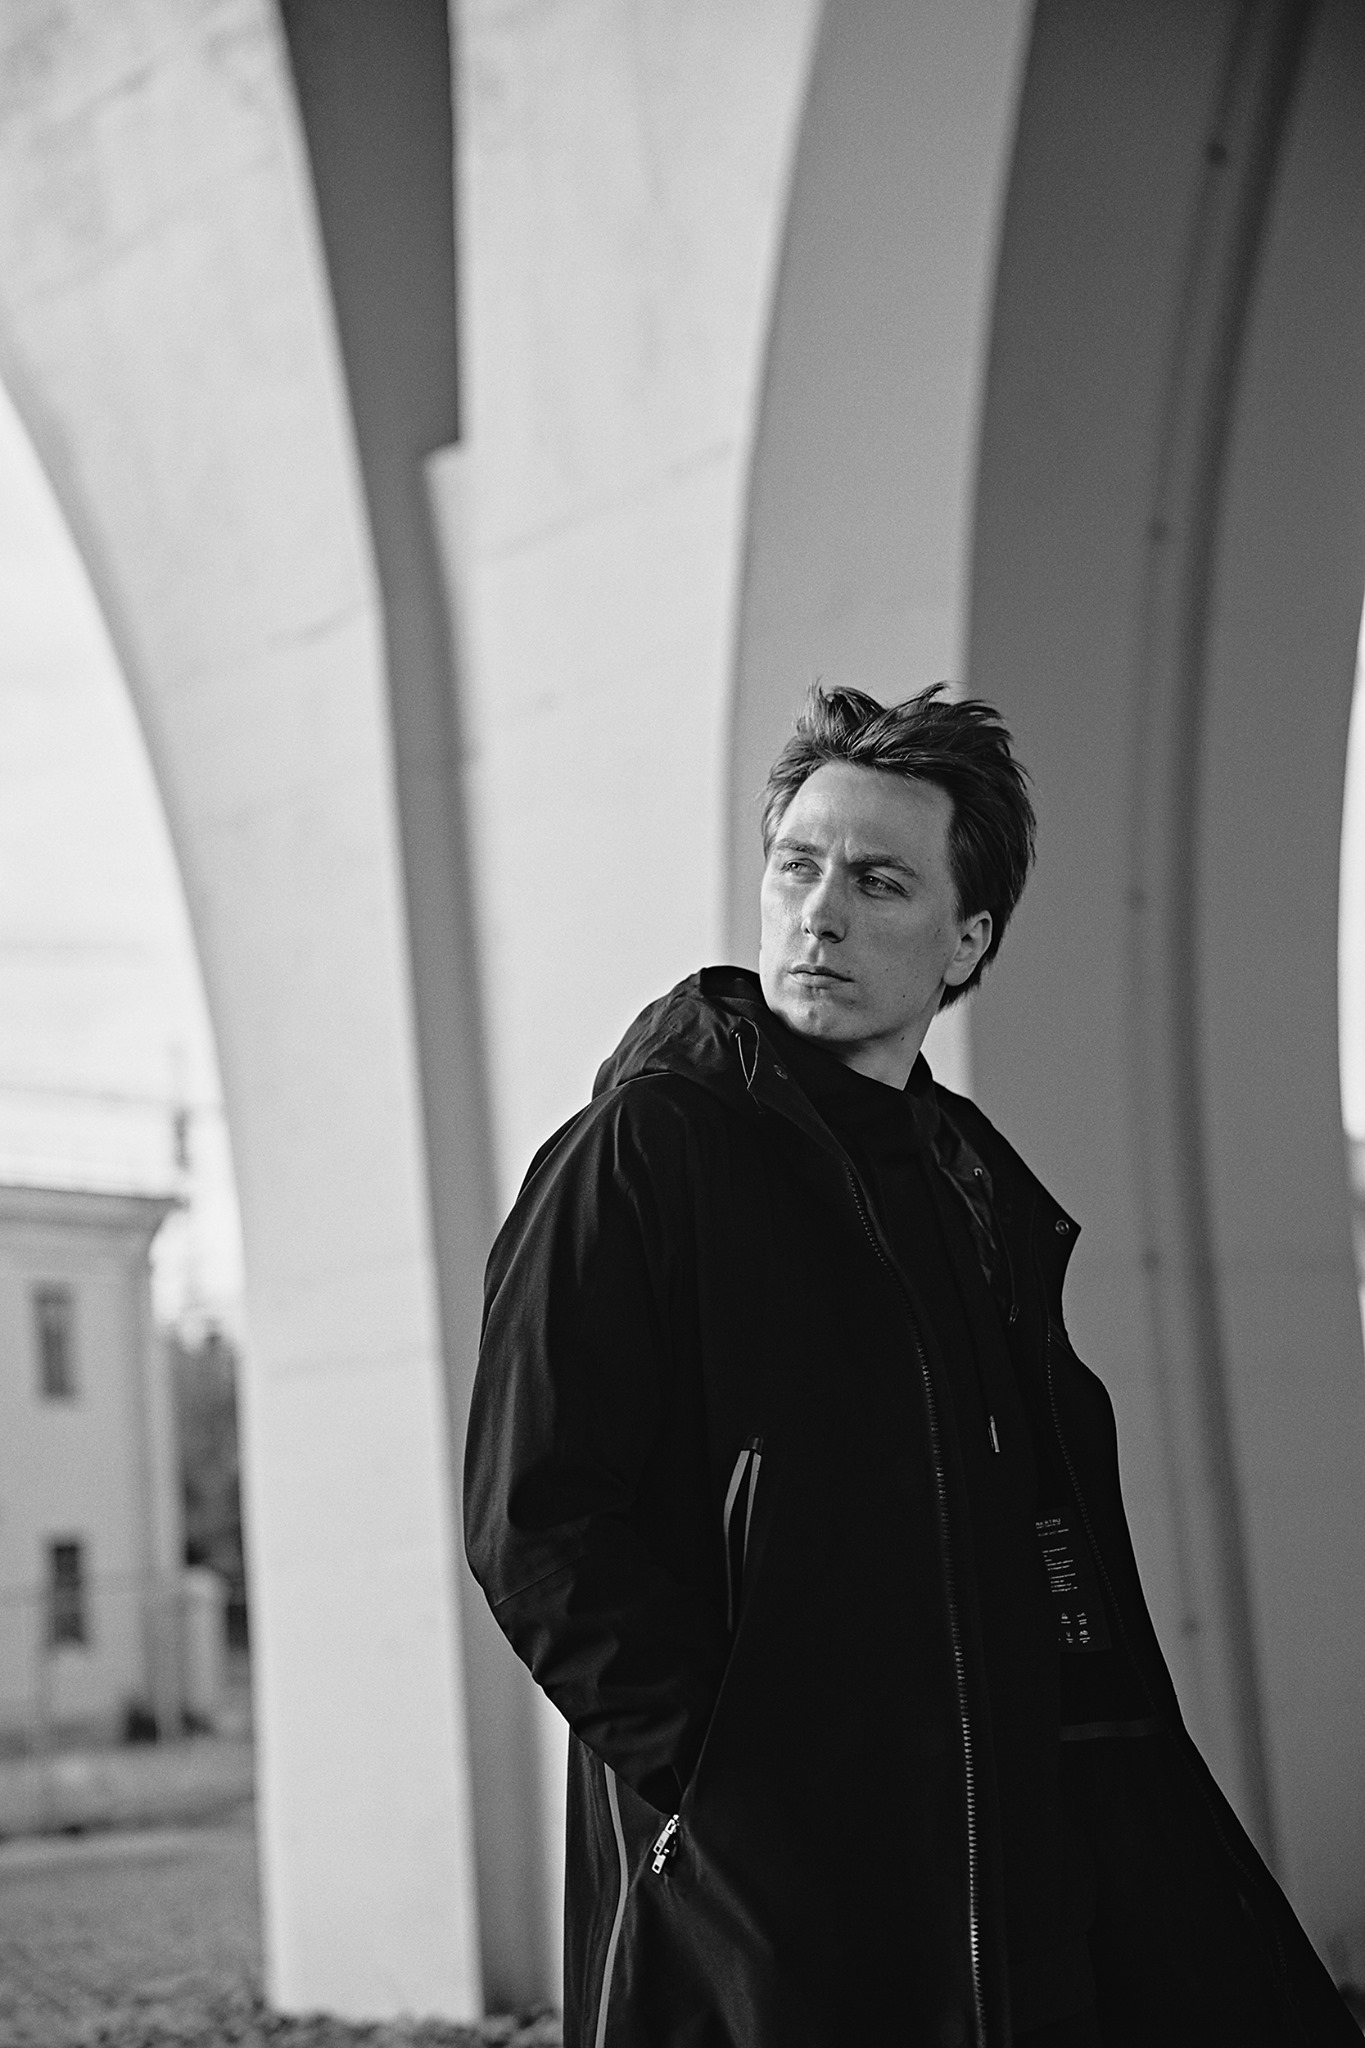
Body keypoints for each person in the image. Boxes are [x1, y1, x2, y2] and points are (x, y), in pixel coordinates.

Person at [464, 685, 1358, 2047]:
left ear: (967, 938)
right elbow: (535, 1524)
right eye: (796, 867)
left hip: (1000, 1857)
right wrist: (728, 1785)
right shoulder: (644, 1151)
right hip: (756, 1884)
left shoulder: (973, 1187)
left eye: (878, 882)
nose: (818, 915)